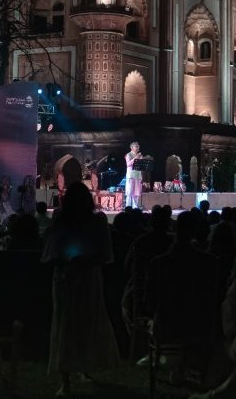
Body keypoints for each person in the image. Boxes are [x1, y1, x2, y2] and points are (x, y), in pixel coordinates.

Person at [42, 182, 119, 395]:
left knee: (70, 323)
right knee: (75, 323)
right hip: (76, 277)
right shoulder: (71, 221)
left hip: (77, 277)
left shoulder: (81, 221)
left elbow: (54, 252)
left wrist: (77, 262)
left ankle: (72, 374)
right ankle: (71, 374)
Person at [125, 141, 143, 209]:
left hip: (138, 175)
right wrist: (136, 158)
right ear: (132, 147)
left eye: (138, 146)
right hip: (131, 176)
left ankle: (135, 206)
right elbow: (128, 164)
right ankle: (128, 207)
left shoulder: (140, 155)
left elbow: (142, 165)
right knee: (130, 191)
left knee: (137, 192)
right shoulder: (128, 155)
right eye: (136, 146)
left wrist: (141, 159)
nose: (138, 148)